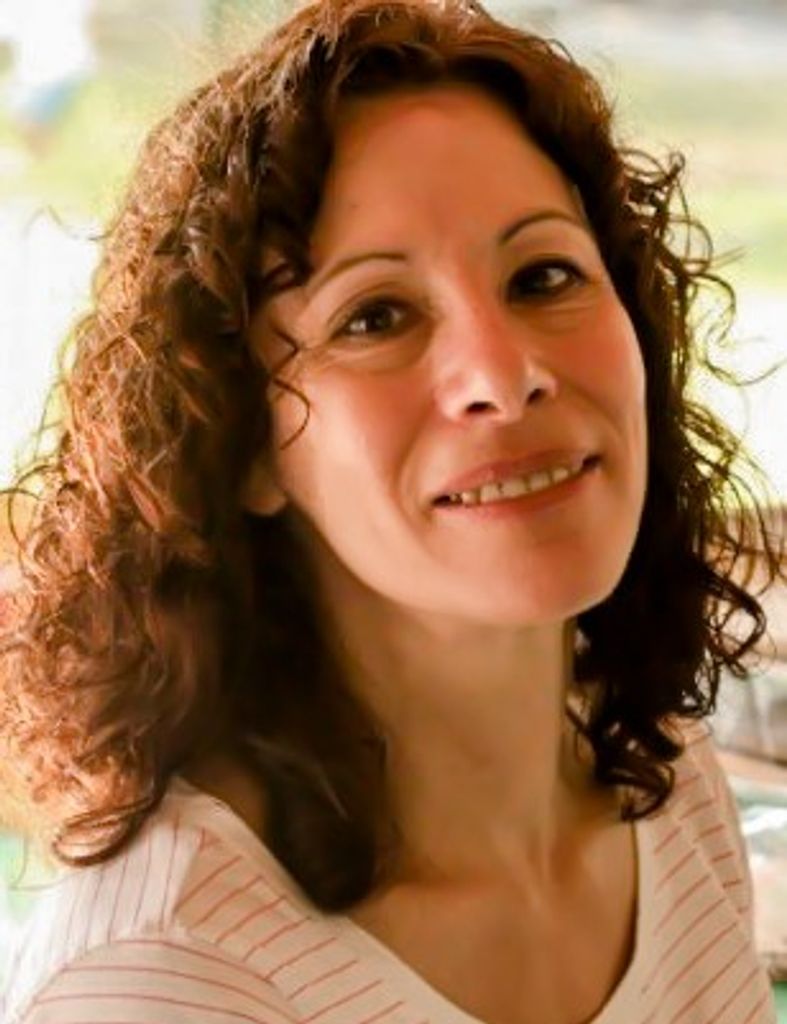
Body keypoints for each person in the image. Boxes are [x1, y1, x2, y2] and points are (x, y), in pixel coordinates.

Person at [0, 0, 783, 1021]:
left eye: (543, 275)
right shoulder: (156, 980)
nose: (503, 375)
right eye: (374, 317)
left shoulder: (671, 776)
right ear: (247, 447)